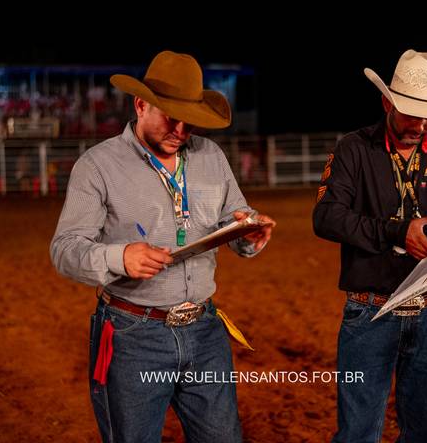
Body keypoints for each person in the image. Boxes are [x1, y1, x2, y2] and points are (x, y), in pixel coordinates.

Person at [50, 50, 275, 443]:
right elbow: (65, 249)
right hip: (132, 335)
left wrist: (249, 232)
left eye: (191, 120)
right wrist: (119, 257)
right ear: (141, 105)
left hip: (205, 330)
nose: (181, 130)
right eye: (172, 117)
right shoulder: (98, 165)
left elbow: (233, 217)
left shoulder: (211, 156)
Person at [313, 49, 427, 442]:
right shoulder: (353, 149)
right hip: (370, 311)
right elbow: (326, 217)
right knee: (357, 434)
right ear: (387, 103)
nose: (421, 124)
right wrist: (395, 232)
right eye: (412, 113)